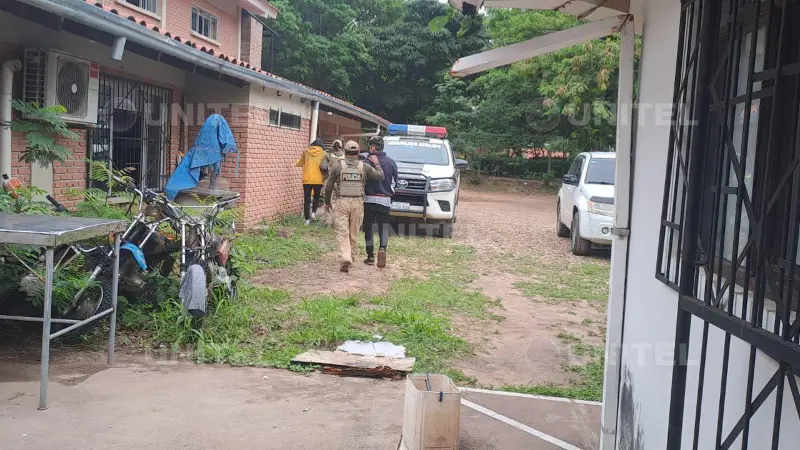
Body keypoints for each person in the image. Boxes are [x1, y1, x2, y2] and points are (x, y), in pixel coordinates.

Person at [324, 140, 384, 273]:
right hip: (358, 202)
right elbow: (380, 176)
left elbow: (328, 187)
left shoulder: (338, 166)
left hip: (342, 201)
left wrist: (327, 202)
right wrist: (376, 163)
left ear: (345, 152)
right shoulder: (365, 167)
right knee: (354, 232)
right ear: (357, 153)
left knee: (342, 232)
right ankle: (351, 257)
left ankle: (345, 257)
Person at [363, 136, 398, 268]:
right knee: (383, 227)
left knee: (368, 228)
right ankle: (382, 248)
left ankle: (370, 257)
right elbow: (395, 183)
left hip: (369, 199)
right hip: (385, 200)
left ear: (372, 147)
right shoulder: (391, 163)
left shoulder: (366, 162)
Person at [296, 138, 326, 225]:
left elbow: (300, 163)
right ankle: (313, 214)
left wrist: (296, 162)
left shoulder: (306, 151)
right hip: (318, 180)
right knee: (316, 197)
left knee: (307, 199)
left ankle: (307, 220)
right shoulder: (324, 153)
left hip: (307, 180)